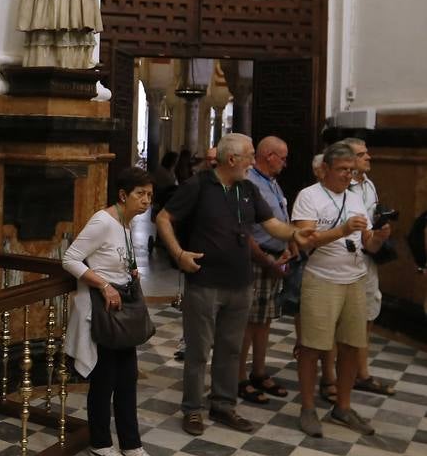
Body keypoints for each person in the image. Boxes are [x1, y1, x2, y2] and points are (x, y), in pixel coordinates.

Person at [156, 133, 314, 436]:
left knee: (230, 349)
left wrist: (294, 235)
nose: (253, 162)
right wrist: (178, 254)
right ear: (232, 160)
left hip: (241, 284)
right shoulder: (199, 186)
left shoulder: (248, 189)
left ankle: (223, 405)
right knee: (199, 351)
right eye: (250, 156)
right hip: (204, 283)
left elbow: (271, 225)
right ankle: (192, 410)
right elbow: (164, 218)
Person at [63, 167, 164, 456]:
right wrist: (104, 284)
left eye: (150, 195)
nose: (146, 201)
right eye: (140, 194)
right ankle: (101, 444)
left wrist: (128, 272)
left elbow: (115, 258)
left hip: (123, 312)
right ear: (123, 195)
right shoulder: (103, 221)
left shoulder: (125, 223)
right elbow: (69, 258)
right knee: (104, 380)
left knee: (127, 379)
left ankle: (132, 445)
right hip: (105, 312)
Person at [291, 141, 386, 437]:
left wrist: (379, 238)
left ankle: (342, 407)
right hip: (321, 278)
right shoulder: (309, 196)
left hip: (355, 278)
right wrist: (342, 230)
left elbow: (367, 243)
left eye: (352, 171)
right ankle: (308, 409)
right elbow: (305, 241)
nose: (348, 176)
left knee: (351, 345)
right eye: (343, 170)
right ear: (325, 170)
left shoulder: (356, 198)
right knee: (311, 347)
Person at [238, 136, 296, 404]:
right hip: (257, 259)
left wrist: (286, 248)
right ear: (269, 156)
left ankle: (259, 372)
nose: (285, 163)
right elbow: (246, 229)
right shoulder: (249, 181)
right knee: (248, 321)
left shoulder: (271, 181)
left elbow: (278, 219)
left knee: (264, 319)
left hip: (275, 256)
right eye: (282, 158)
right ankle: (239, 378)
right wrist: (265, 258)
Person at [346, 138, 397, 395]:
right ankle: (337, 375)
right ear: (349, 159)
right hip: (348, 257)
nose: (369, 157)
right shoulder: (343, 186)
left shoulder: (369, 185)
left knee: (368, 310)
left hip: (369, 255)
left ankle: (361, 372)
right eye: (362, 154)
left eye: (367, 153)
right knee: (347, 316)